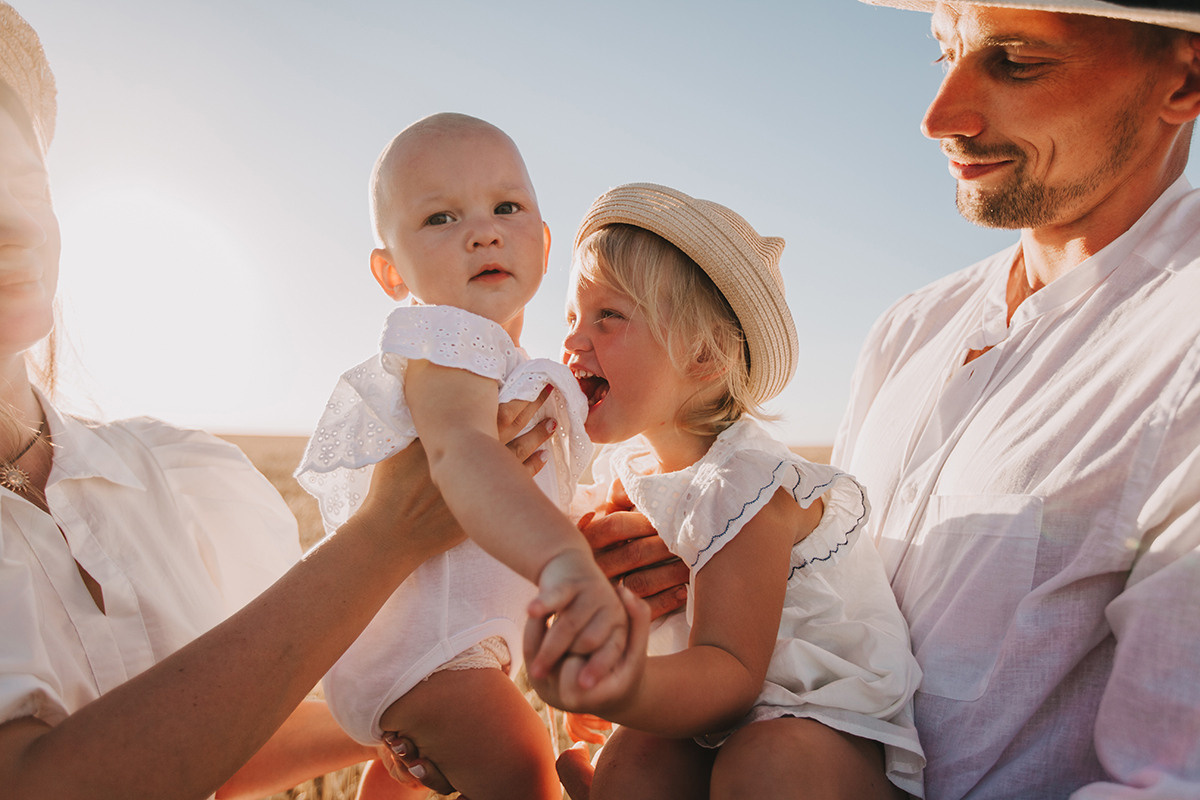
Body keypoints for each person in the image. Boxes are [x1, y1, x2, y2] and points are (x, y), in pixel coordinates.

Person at [0, 7, 554, 799]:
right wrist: (385, 536)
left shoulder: (161, 474)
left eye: (26, 181)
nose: (16, 220)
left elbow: (207, 735)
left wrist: (422, 700)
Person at [831, 2, 1200, 798]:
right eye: (945, 54)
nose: (939, 118)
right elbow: (829, 600)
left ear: (1187, 77)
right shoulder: (909, 328)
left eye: (1017, 62)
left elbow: (1170, 782)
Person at [526, 183, 924, 799]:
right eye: (573, 317)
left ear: (706, 356)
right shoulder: (627, 469)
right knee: (631, 766)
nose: (574, 340)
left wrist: (627, 687)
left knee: (768, 765)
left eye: (609, 316)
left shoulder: (746, 482)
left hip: (815, 720)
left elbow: (732, 670)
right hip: (711, 717)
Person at [294, 113, 628, 799]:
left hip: (443, 645)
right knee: (521, 763)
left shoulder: (508, 366)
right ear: (391, 272)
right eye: (441, 218)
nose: (482, 230)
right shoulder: (449, 342)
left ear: (541, 241)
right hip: (432, 650)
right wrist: (564, 561)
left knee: (415, 776)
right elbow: (463, 454)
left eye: (506, 207)